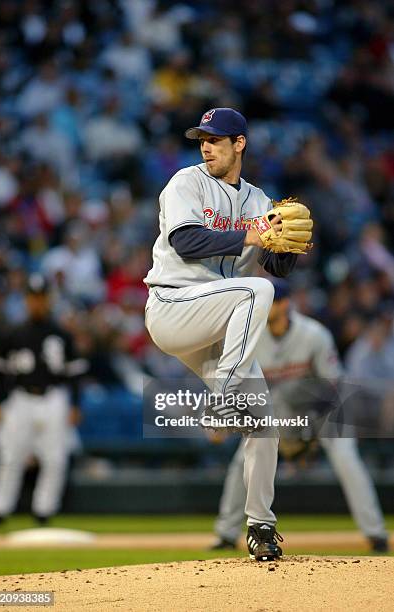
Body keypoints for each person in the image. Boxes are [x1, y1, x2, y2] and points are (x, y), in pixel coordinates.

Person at [144, 107, 312, 561]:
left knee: (264, 421)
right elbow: (186, 242)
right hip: (173, 306)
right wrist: (255, 234)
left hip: (221, 322)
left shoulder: (257, 198)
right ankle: (225, 394)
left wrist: (287, 247)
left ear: (240, 144)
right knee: (256, 290)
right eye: (202, 138)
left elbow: (274, 262)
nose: (206, 145)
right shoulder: (186, 182)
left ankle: (260, 526)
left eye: (216, 139)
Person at [211, 282, 389, 554]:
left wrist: (306, 432)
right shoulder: (248, 337)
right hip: (278, 413)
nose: (264, 306)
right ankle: (226, 533)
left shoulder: (313, 334)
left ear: (284, 305)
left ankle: (376, 534)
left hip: (323, 411)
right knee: (242, 461)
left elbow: (334, 387)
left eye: (272, 301)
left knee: (346, 459)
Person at [0, 274, 86, 525]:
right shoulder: (12, 333)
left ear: (49, 300)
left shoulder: (61, 333)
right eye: (33, 298)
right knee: (11, 456)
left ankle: (44, 510)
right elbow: (1, 373)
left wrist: (75, 404)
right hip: (20, 398)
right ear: (26, 300)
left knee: (55, 458)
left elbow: (74, 374)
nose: (37, 303)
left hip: (53, 397)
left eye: (41, 298)